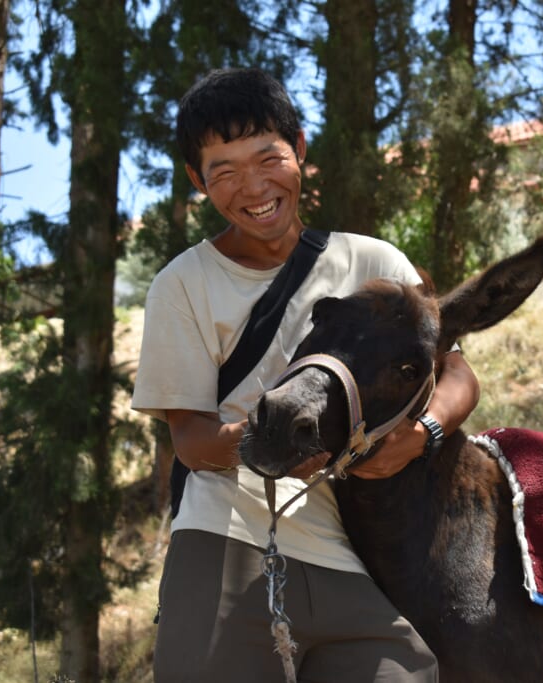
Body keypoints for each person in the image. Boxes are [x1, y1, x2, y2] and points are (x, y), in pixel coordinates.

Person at [131, 67, 479, 682]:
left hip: (351, 553)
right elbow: (189, 438)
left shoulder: (374, 262)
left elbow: (456, 373)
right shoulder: (182, 285)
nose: (254, 186)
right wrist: (276, 437)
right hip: (225, 538)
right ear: (196, 180)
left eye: (268, 158)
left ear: (301, 149)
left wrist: (422, 431)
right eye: (225, 171)